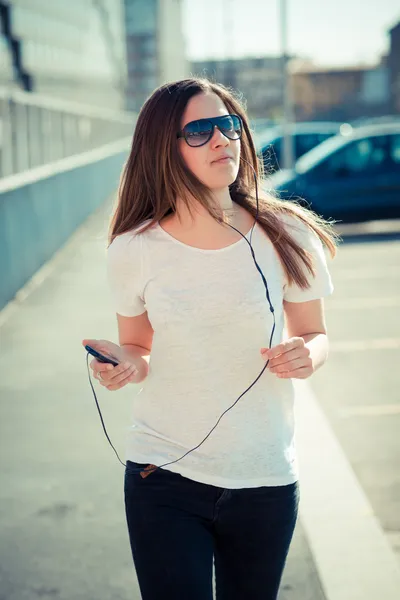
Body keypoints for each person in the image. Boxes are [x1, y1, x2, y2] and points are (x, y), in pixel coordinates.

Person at [82, 77, 337, 600]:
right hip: (164, 474)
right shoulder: (134, 249)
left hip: (263, 475)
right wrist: (124, 365)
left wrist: (307, 354)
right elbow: (139, 347)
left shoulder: (289, 233)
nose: (222, 139)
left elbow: (315, 334)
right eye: (199, 130)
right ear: (163, 148)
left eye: (228, 126)